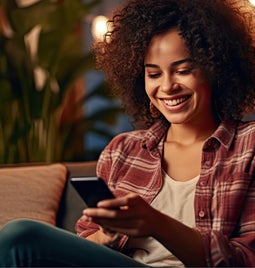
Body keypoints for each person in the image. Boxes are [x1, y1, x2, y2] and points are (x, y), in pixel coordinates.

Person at [0, 0, 255, 266]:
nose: (167, 87)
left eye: (183, 70)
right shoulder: (122, 151)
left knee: (20, 236)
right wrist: (107, 234)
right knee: (19, 240)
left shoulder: (249, 147)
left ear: (217, 70)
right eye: (154, 74)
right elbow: (82, 249)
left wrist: (158, 224)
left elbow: (247, 260)